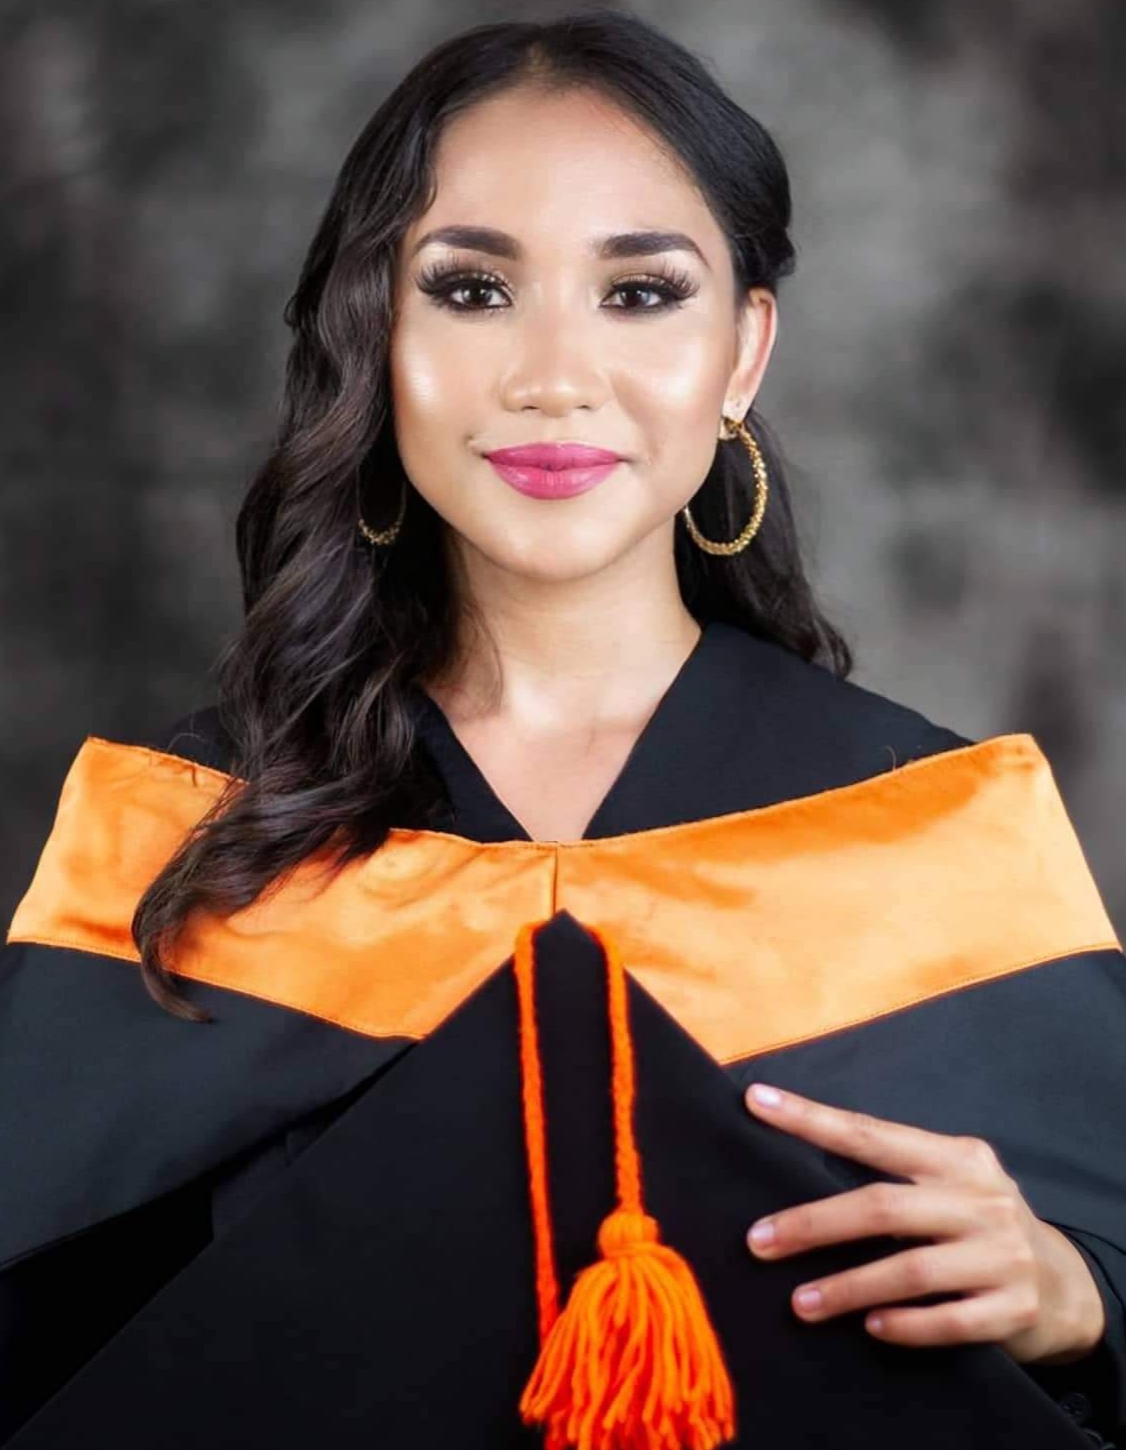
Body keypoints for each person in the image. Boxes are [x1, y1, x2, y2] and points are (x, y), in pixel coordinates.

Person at [2, 9, 1123, 1448]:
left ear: (742, 353)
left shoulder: (933, 832)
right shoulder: (186, 834)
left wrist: (1080, 1293)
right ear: (376, 337)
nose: (552, 375)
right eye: (472, 290)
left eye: (640, 293)